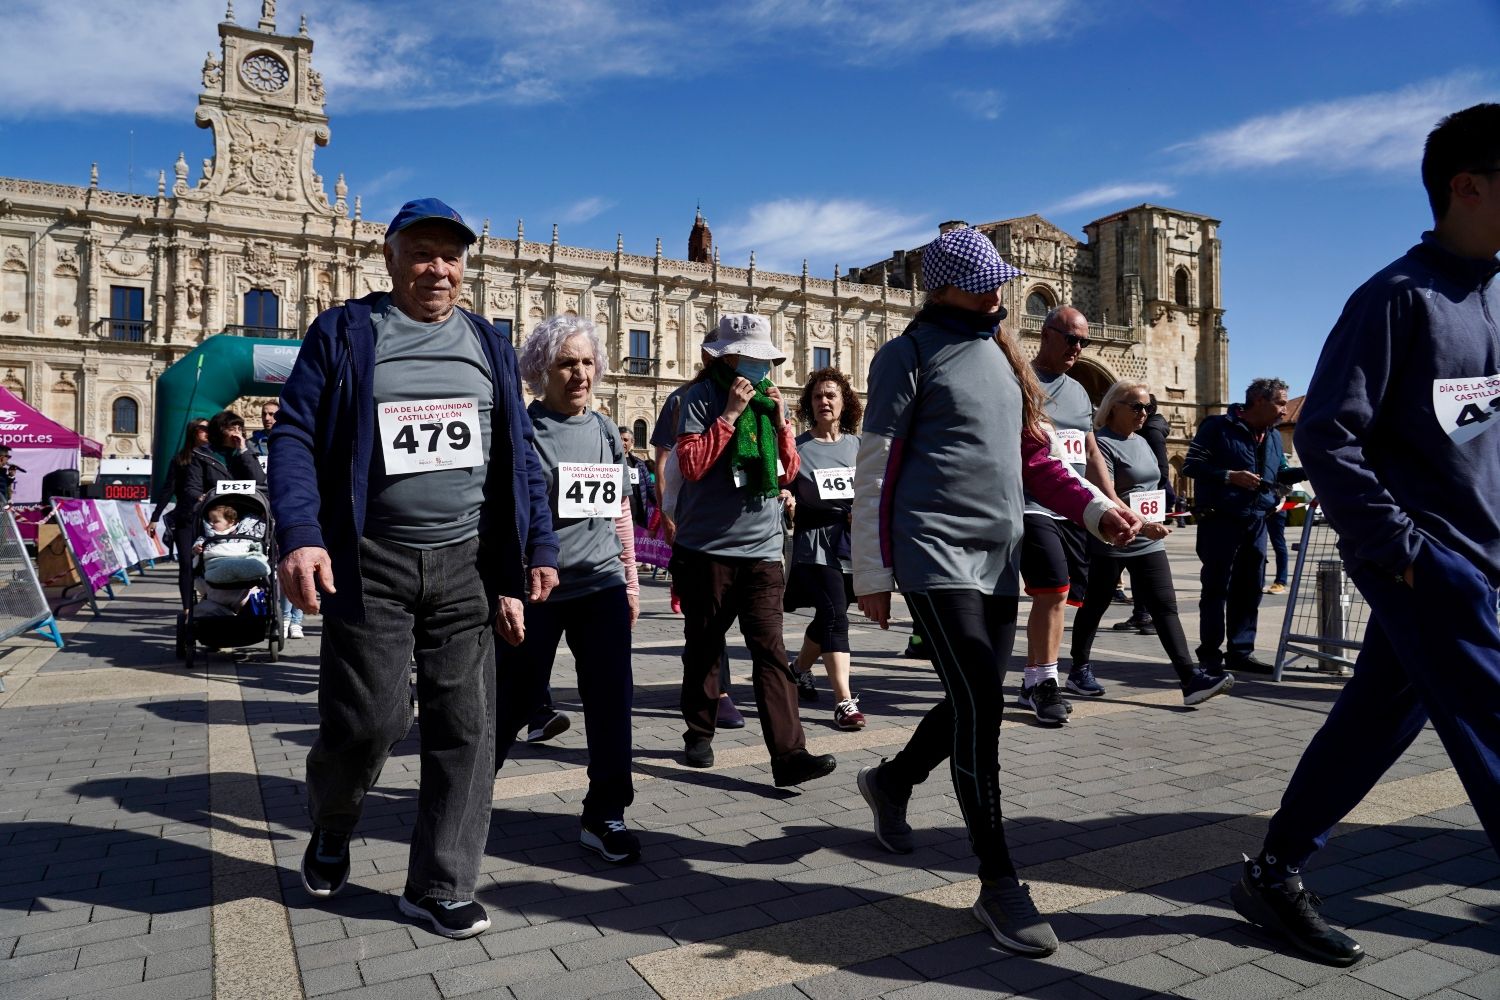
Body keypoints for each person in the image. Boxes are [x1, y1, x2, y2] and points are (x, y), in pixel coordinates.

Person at [1231, 102, 1500, 968]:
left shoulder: (1494, 291)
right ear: (1467, 185)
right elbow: (1325, 435)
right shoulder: (1395, 298)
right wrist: (1405, 553)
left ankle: (1275, 869)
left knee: (1377, 716)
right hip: (1435, 566)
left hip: (1480, 560)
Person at [270, 198, 560, 940]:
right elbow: (296, 435)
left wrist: (536, 551)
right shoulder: (345, 332)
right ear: (389, 257)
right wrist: (301, 534)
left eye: (451, 256)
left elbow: (519, 452)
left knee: (469, 729)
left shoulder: (488, 343)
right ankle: (334, 819)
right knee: (369, 721)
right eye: (422, 253)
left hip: (466, 563)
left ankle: (439, 884)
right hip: (372, 562)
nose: (438, 268)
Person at [851, 227, 1140, 957]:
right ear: (944, 287)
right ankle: (999, 881)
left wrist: (1098, 511)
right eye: (988, 282)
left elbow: (1038, 462)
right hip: (932, 554)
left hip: (997, 557)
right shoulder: (906, 355)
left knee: (968, 693)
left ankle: (892, 781)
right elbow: (876, 467)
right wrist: (871, 572)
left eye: (1002, 281)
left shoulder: (1009, 363)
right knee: (982, 700)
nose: (1001, 292)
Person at [495, 316, 641, 863]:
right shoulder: (524, 431)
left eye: (586, 362)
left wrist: (629, 578)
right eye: (566, 363)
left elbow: (619, 510)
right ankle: (467, 792)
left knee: (611, 702)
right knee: (511, 698)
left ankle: (606, 812)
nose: (580, 373)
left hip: (600, 584)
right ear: (540, 370)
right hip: (541, 589)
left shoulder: (604, 428)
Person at [670, 313, 835, 786]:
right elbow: (693, 465)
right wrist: (728, 417)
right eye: (754, 358)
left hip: (762, 548)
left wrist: (781, 424)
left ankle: (790, 755)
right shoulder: (697, 399)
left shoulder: (770, 404)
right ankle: (698, 732)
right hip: (707, 549)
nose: (764, 367)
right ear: (729, 357)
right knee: (705, 644)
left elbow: (787, 473)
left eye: (768, 359)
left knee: (770, 651)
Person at [1070, 380, 1235, 705]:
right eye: (1137, 407)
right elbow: (1107, 495)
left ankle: (1190, 680)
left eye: (1148, 407)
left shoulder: (1143, 441)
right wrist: (1143, 524)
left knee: (1164, 606)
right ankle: (1079, 668)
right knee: (1096, 604)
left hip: (1147, 537)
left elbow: (1152, 486)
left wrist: (1154, 519)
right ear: (1114, 406)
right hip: (1113, 535)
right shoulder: (1101, 444)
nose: (1144, 413)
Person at [1018, 305, 1123, 723]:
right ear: (1045, 334)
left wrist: (1111, 500)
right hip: (1032, 502)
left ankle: (1033, 679)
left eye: (1083, 341)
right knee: (1053, 590)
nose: (1078, 348)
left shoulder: (1079, 391)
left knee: (1064, 597)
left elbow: (1091, 449)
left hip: (1075, 509)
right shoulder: (1020, 379)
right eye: (1070, 338)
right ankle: (1047, 682)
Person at [650, 330, 744, 730]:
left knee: (717, 613)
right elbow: (663, 460)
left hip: (738, 523)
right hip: (694, 520)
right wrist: (667, 515)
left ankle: (706, 688)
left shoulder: (754, 396)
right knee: (702, 612)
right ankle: (715, 693)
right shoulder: (680, 399)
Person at [1181, 377, 1290, 675]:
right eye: (1280, 403)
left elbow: (1280, 470)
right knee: (1216, 590)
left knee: (1250, 589)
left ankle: (1241, 652)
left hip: (1257, 522)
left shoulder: (1275, 436)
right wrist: (1229, 476)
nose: (1284, 410)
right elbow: (1190, 466)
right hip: (1220, 521)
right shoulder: (1217, 427)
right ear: (1258, 401)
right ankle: (1210, 655)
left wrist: (1300, 475)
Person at [784, 367, 865, 730]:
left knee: (830, 615)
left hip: (853, 545)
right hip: (815, 544)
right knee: (836, 615)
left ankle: (798, 670)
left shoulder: (858, 446)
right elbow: (780, 483)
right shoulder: (798, 448)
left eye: (831, 395)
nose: (824, 402)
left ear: (844, 401)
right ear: (809, 404)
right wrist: (786, 495)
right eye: (817, 396)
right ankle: (844, 702)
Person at [1113, 394, 1174, 633]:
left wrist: (1147, 495)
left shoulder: (1150, 433)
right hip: (1138, 503)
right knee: (1133, 561)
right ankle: (1142, 613)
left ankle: (1145, 614)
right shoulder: (1147, 431)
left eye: (1143, 407)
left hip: (1141, 503)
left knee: (1133, 559)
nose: (1140, 413)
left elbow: (1161, 470)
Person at [150, 418, 210, 654]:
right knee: (186, 563)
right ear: (193, 432)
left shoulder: (213, 457)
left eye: (209, 429)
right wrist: (155, 517)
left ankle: (210, 605)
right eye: (203, 429)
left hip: (210, 519)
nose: (207, 433)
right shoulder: (181, 459)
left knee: (207, 563)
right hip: (186, 518)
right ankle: (187, 608)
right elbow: (168, 489)